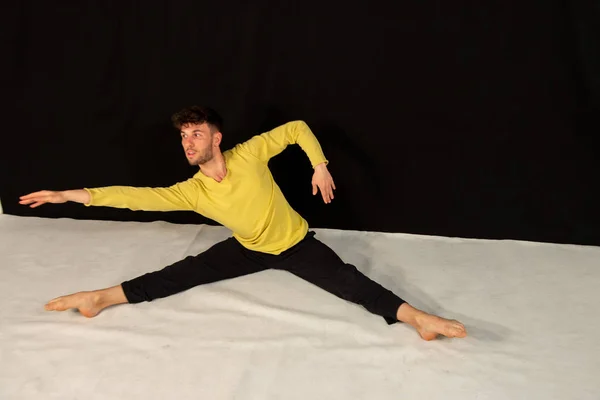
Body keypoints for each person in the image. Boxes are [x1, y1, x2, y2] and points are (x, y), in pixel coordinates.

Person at [20, 106, 467, 341]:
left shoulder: (248, 154)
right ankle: (100, 298)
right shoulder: (191, 191)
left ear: (216, 137)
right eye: (182, 136)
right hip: (249, 246)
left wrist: (319, 165)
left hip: (295, 245)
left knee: (351, 282)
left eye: (196, 133)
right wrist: (69, 195)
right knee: (181, 273)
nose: (188, 142)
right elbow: (132, 198)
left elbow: (295, 128)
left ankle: (419, 319)